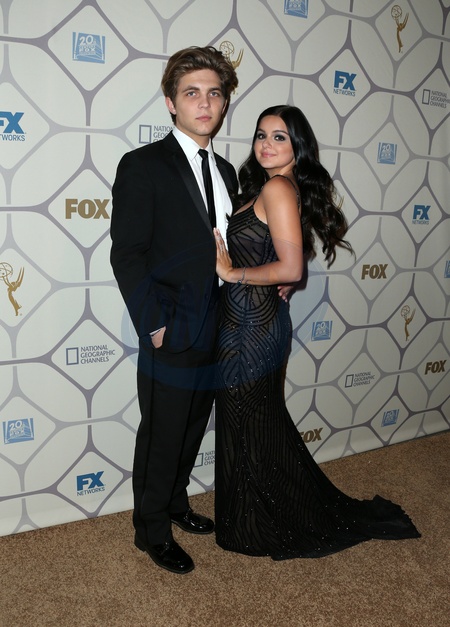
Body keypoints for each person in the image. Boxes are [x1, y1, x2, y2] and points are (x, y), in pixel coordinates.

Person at [213, 104, 420, 560]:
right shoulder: (270, 187)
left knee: (249, 422)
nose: (266, 144)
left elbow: (290, 268)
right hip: (247, 321)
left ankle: (258, 524)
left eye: (279, 137)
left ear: (297, 146)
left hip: (251, 327)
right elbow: (280, 257)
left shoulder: (278, 188)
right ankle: (249, 519)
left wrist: (232, 273)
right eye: (261, 135)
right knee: (253, 422)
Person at [110, 46, 238, 574]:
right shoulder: (142, 166)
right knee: (162, 432)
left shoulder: (227, 171)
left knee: (191, 426)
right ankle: (151, 529)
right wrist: (154, 324)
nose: (204, 103)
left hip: (221, 323)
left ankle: (177, 502)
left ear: (224, 102)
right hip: (172, 325)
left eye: (214, 93)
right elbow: (127, 254)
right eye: (192, 93)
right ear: (171, 102)